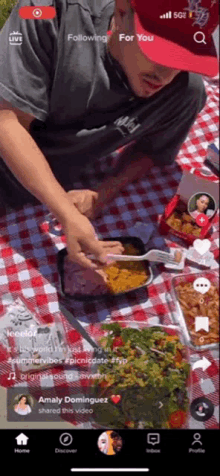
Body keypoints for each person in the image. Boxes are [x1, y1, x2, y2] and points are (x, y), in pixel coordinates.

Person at [0, 0, 218, 275]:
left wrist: (105, 192)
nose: (165, 74)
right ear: (122, 11)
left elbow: (153, 151)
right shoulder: (49, 12)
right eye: (157, 49)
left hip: (44, 202)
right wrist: (66, 214)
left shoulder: (184, 91)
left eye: (182, 56)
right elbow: (7, 121)